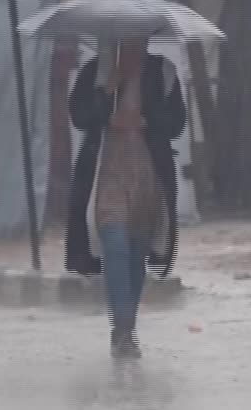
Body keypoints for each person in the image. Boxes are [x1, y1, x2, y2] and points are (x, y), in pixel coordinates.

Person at [64, 38, 187, 360]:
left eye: (138, 37)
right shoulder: (95, 71)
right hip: (106, 175)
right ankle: (121, 328)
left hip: (147, 176)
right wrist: (111, 87)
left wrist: (146, 121)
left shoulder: (163, 71)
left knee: (136, 254)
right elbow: (80, 116)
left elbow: (176, 123)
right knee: (115, 245)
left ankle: (126, 328)